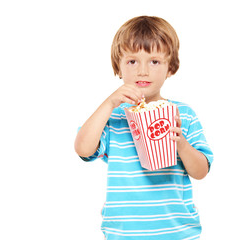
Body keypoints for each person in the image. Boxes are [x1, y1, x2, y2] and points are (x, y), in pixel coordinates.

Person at [74, 15, 213, 240]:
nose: (143, 71)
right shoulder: (113, 118)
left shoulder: (183, 114)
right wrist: (109, 104)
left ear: (171, 68)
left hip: (177, 233)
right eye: (132, 61)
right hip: (123, 234)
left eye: (154, 61)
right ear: (118, 68)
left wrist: (182, 146)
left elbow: (201, 171)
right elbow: (83, 149)